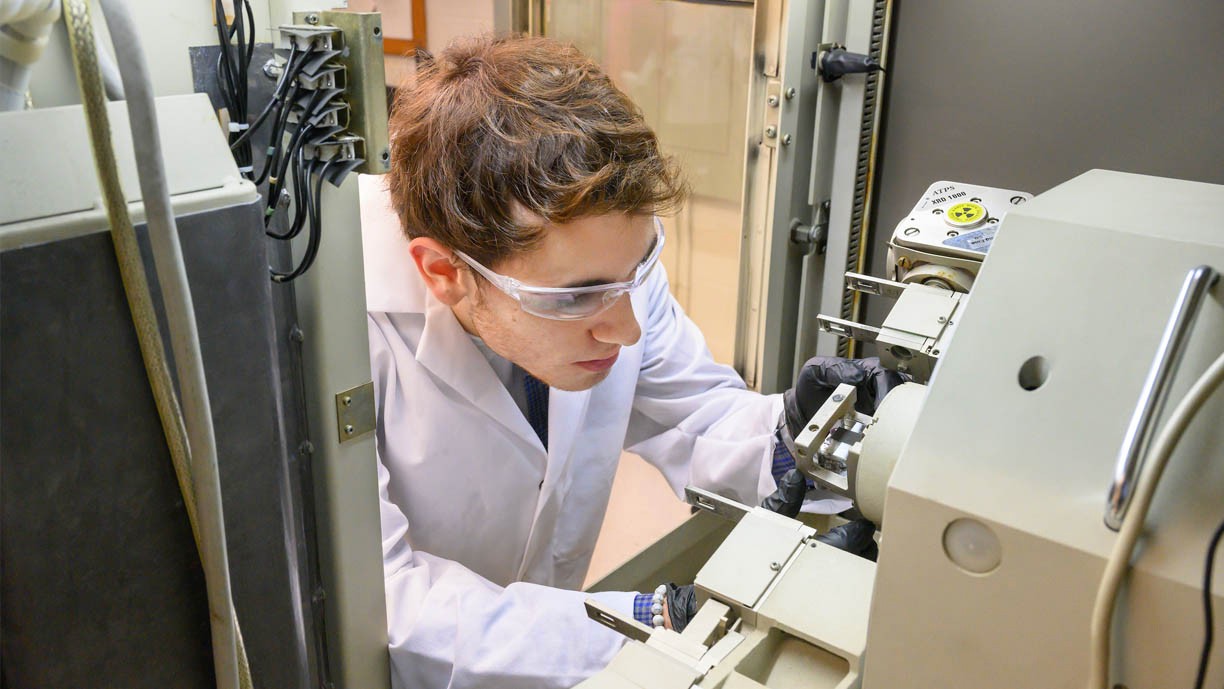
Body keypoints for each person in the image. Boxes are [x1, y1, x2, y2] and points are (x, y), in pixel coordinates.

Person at [360, 34, 901, 689]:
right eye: (576, 297)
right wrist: (649, 618)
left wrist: (798, 436)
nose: (625, 328)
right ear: (444, 272)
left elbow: (695, 417)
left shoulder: (602, 265)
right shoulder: (346, 336)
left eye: (638, 271)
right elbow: (389, 604)